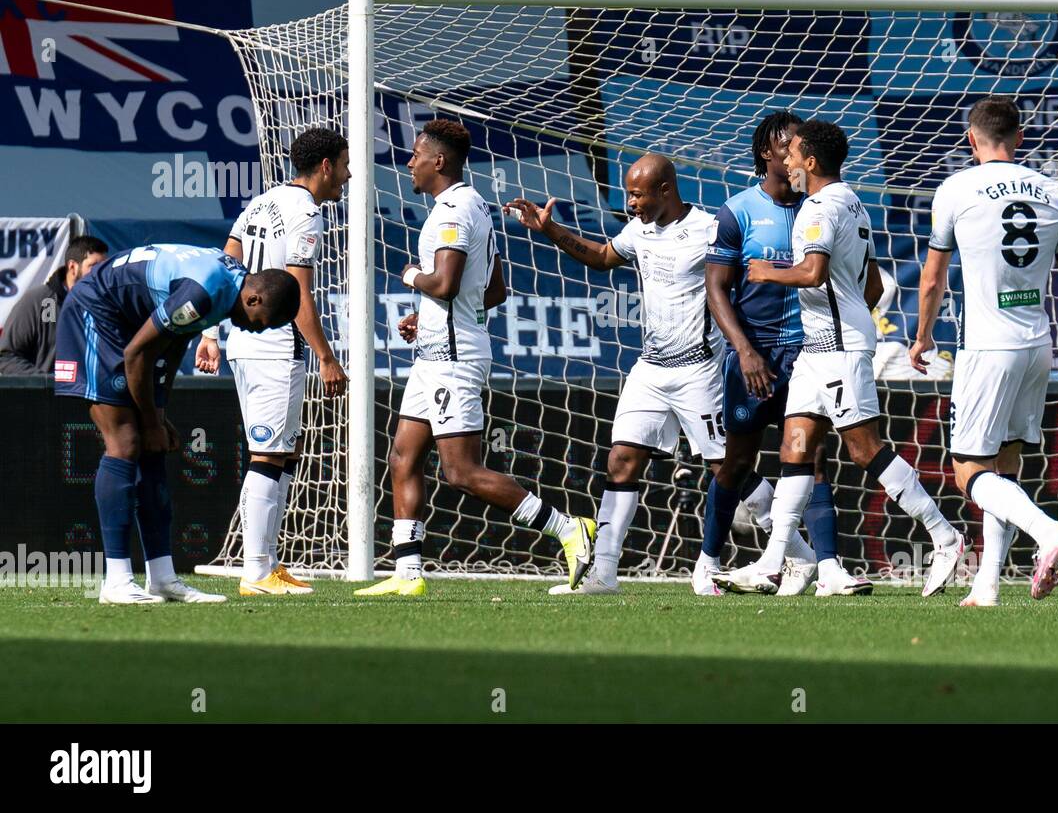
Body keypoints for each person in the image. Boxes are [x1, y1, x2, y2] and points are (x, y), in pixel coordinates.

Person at [715, 119, 965, 597]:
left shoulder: (815, 210)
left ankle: (944, 535)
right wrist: (847, 318)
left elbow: (811, 273)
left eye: (792, 155)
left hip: (838, 349)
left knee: (863, 449)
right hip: (821, 347)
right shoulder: (852, 201)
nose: (785, 161)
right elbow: (872, 286)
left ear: (810, 162)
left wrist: (768, 272)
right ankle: (773, 561)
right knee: (795, 448)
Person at [354, 119, 595, 597]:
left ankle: (569, 529)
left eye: (416, 156)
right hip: (435, 350)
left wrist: (409, 276)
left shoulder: (452, 212)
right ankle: (407, 574)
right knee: (403, 456)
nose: (409, 163)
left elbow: (442, 283)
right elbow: (494, 290)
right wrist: (426, 317)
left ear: (438, 161)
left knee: (460, 471)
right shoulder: (476, 206)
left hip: (453, 357)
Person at [911, 96, 1058, 607]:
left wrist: (922, 335)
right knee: (1006, 465)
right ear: (1020, 138)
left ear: (971, 140)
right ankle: (988, 583)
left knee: (969, 471)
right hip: (1037, 346)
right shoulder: (1053, 190)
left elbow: (931, 278)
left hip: (986, 347)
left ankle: (1046, 530)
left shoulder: (956, 188)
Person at [513, 154, 728, 595]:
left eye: (636, 193)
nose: (630, 202)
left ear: (665, 189)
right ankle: (603, 573)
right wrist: (550, 229)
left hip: (699, 369)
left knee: (727, 468)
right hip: (650, 368)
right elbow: (603, 256)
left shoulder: (709, 230)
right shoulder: (639, 230)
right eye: (628, 193)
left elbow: (734, 286)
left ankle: (793, 553)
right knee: (621, 461)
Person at [53, 244, 300, 604]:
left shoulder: (228, 287)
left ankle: (163, 578)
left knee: (153, 449)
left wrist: (160, 414)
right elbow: (137, 353)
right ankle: (117, 581)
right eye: (262, 324)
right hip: (94, 313)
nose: (258, 331)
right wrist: (151, 421)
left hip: (128, 323)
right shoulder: (206, 293)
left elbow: (169, 347)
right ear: (254, 300)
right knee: (125, 441)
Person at [194, 127, 350, 597]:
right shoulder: (306, 214)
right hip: (275, 345)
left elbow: (226, 263)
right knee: (267, 455)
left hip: (245, 342)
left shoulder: (261, 202)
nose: (345, 175)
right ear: (325, 166)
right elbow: (297, 293)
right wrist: (326, 356)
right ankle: (256, 571)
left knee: (280, 454)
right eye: (343, 165)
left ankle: (270, 564)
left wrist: (209, 332)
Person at [698, 110, 821, 597]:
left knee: (810, 458)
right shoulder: (738, 211)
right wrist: (745, 352)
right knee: (736, 463)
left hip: (809, 353)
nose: (797, 153)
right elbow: (716, 289)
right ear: (768, 152)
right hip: (756, 356)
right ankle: (707, 561)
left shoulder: (820, 207)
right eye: (790, 144)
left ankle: (821, 566)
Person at [0, 235, 108, 375]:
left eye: (105, 267)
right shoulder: (38, 301)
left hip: (91, 394)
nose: (101, 274)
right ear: (73, 267)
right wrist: (45, 383)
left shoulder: (108, 306)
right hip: (46, 395)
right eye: (94, 267)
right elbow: (6, 356)